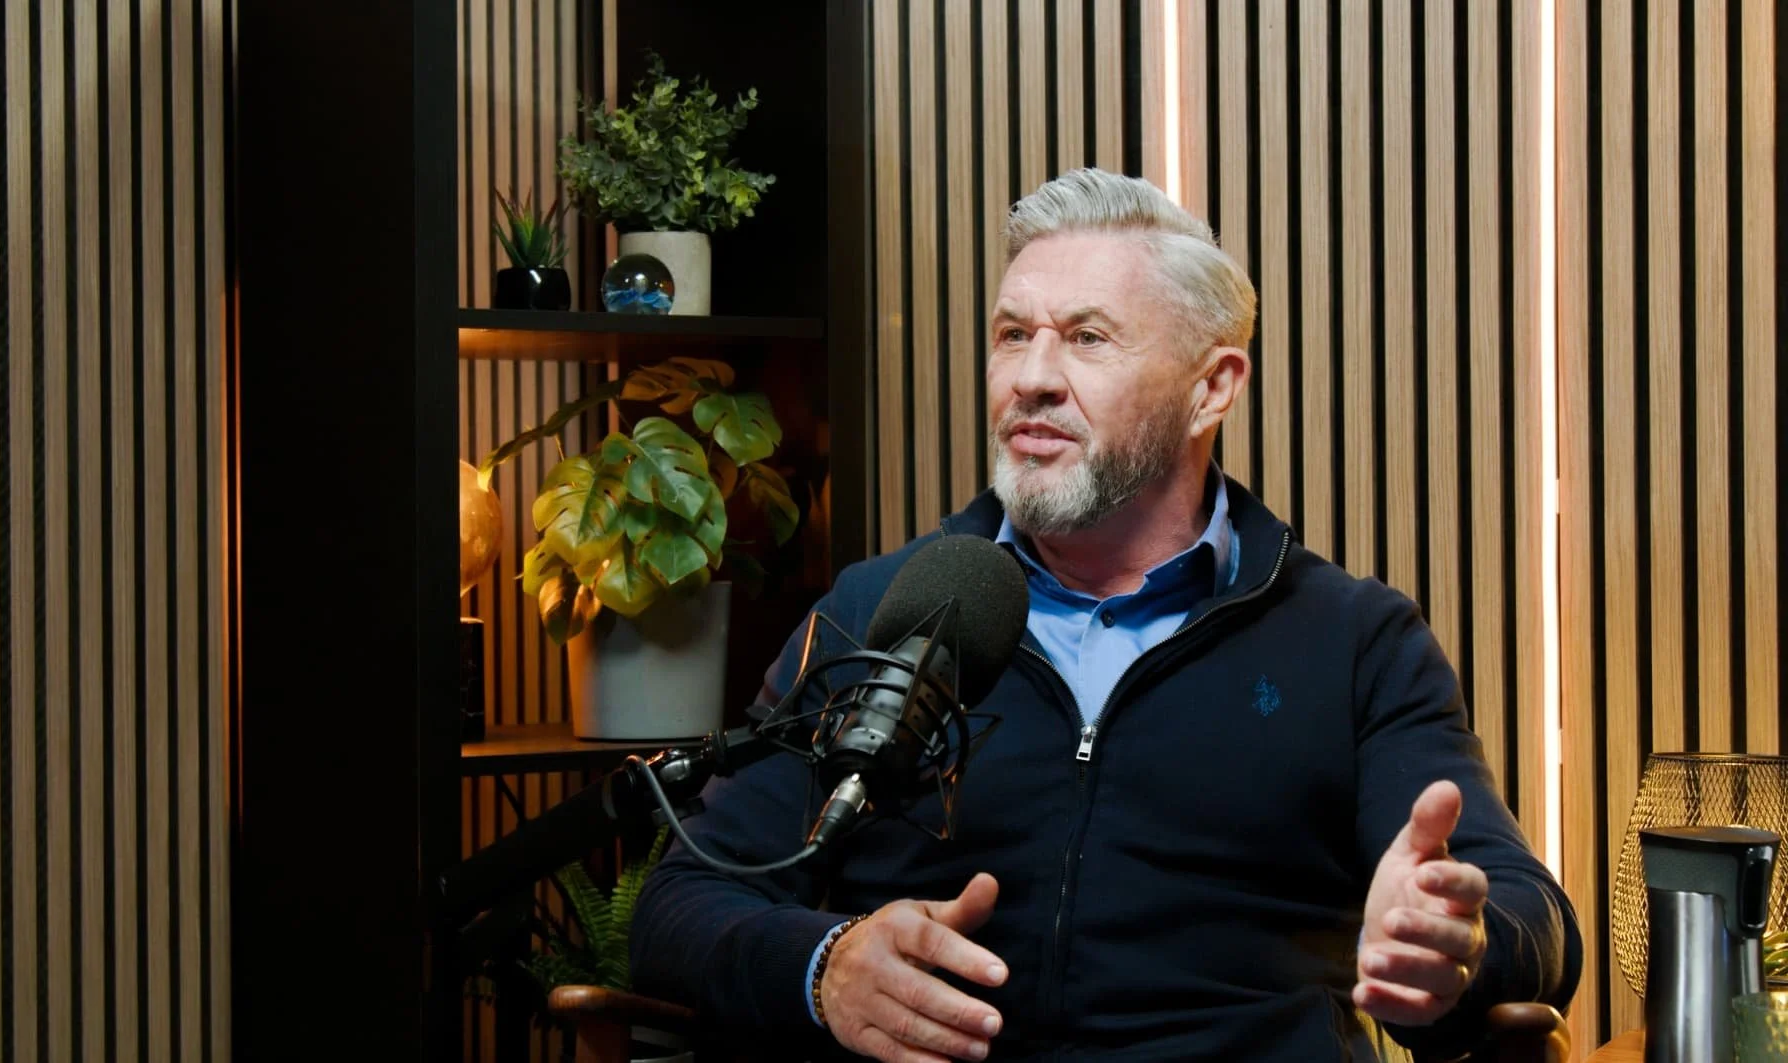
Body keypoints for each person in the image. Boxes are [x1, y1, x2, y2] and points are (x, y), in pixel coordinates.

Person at [630, 168, 1581, 1062]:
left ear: (1213, 387)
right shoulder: (881, 609)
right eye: (1012, 334)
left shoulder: (1355, 640)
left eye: (1087, 338)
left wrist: (1456, 937)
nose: (1032, 378)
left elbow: (1534, 916)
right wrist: (825, 965)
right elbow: (682, 901)